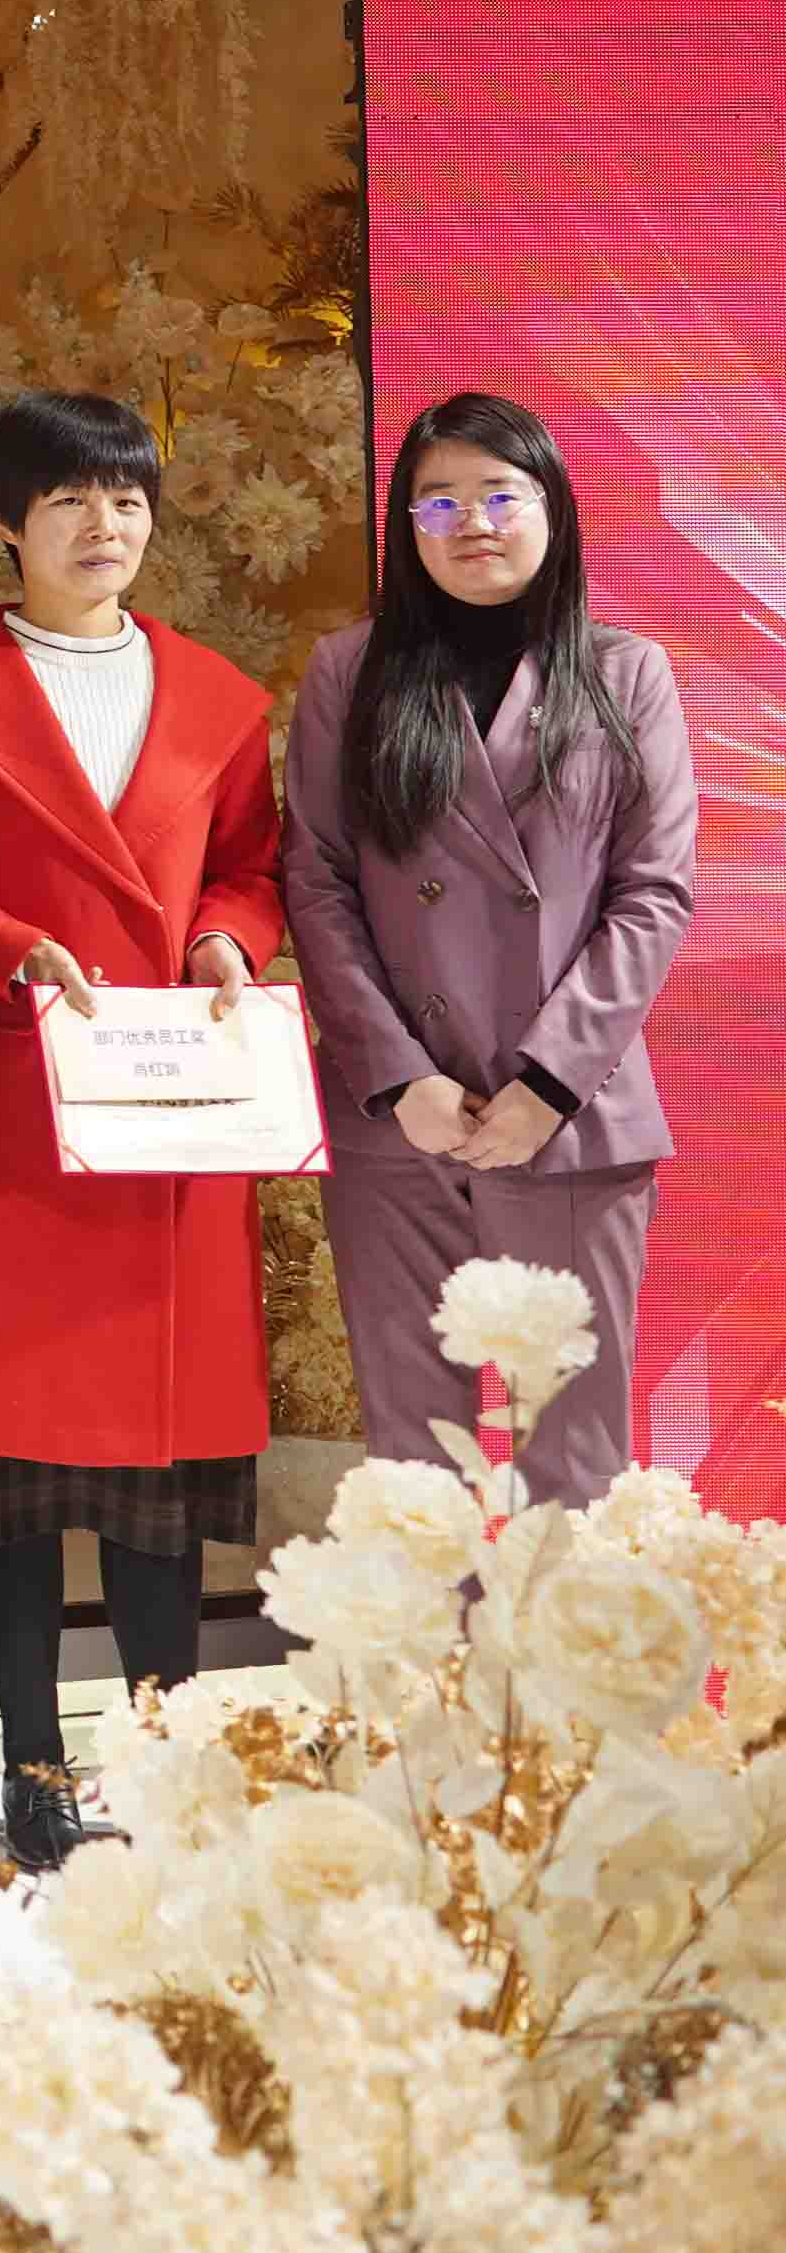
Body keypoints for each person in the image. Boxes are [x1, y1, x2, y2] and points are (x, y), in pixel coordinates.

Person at [0, 386, 286, 1872]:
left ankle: (160, 1767)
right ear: (7, 524)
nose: (104, 525)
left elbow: (253, 867)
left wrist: (229, 935)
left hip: (173, 1116)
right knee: (19, 1471)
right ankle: (31, 1763)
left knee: (162, 1482)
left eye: (125, 499)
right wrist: (0, 944)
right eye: (68, 500)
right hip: (22, 1115)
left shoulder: (221, 699)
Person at [280, 392, 692, 1511]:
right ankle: (442, 1649)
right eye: (439, 502)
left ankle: (561, 1644)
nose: (472, 522)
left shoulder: (626, 672)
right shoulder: (351, 671)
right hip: (400, 1120)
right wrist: (397, 1075)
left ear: (552, 507)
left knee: (572, 1458)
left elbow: (653, 894)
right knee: (419, 1461)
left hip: (571, 1115)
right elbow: (316, 880)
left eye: (501, 495)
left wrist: (547, 1082)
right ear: (405, 527)